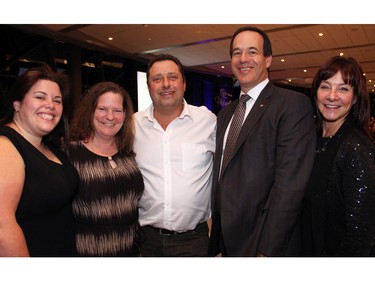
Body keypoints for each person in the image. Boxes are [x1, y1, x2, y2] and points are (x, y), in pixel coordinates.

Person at [208, 26, 316, 257]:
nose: (243, 59)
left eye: (252, 52)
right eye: (237, 53)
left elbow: (289, 187)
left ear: (268, 60)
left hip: (261, 242)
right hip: (225, 242)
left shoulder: (291, 105)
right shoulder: (225, 114)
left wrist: (266, 250)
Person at [133, 54, 216, 256]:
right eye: (157, 79)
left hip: (194, 239)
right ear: (149, 86)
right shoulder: (132, 125)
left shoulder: (207, 121)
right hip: (145, 240)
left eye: (172, 77)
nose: (166, 84)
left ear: (184, 84)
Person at [0, 65, 79, 257]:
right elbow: (2, 227)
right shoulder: (5, 145)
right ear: (17, 104)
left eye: (57, 100)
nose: (50, 105)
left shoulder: (49, 147)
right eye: (40, 97)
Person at [301, 56, 375, 256]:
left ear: (356, 97)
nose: (332, 96)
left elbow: (361, 235)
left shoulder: (356, 148)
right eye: (325, 87)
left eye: (343, 89)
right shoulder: (310, 140)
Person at [66, 81, 145, 256]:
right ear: (91, 111)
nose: (110, 116)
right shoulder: (70, 154)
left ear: (125, 115)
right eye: (102, 109)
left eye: (117, 110)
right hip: (87, 254)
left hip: (131, 251)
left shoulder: (128, 152)